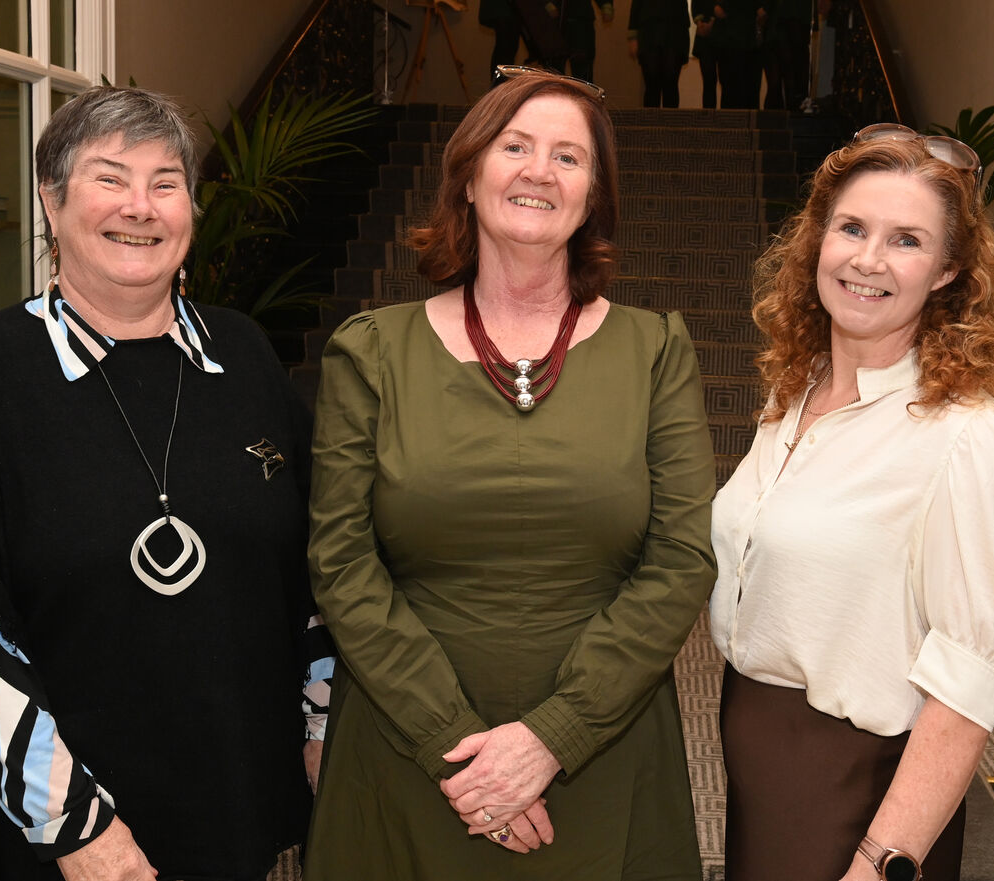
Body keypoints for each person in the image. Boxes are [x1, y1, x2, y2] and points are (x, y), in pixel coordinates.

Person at [0, 86, 331, 880]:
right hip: (50, 841)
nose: (141, 206)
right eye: (110, 177)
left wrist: (321, 731)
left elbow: (310, 575)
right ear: (51, 201)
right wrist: (78, 829)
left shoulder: (246, 357)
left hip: (242, 813)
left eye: (165, 183)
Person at [303, 67, 716, 880]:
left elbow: (682, 559)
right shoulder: (370, 350)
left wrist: (551, 739)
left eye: (570, 156)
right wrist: (455, 747)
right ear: (468, 174)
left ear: (594, 193)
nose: (539, 170)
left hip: (602, 751)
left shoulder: (657, 348)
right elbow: (341, 564)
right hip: (408, 749)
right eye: (515, 145)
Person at [709, 126, 994, 881]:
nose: (869, 259)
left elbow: (972, 683)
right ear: (818, 243)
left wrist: (880, 862)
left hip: (859, 792)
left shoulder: (965, 439)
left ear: (946, 271)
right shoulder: (792, 397)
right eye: (853, 228)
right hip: (761, 771)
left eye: (906, 240)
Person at [628, 0, 691, 108]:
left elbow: (683, 12)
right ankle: (650, 122)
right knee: (651, 82)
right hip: (649, 33)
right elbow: (636, 7)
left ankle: (671, 122)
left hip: (674, 32)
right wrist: (633, 37)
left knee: (670, 83)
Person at [545, 0, 616, 82]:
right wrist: (547, 4)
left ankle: (583, 93)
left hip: (581, 23)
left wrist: (606, 6)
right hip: (555, 23)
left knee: (582, 72)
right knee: (553, 72)